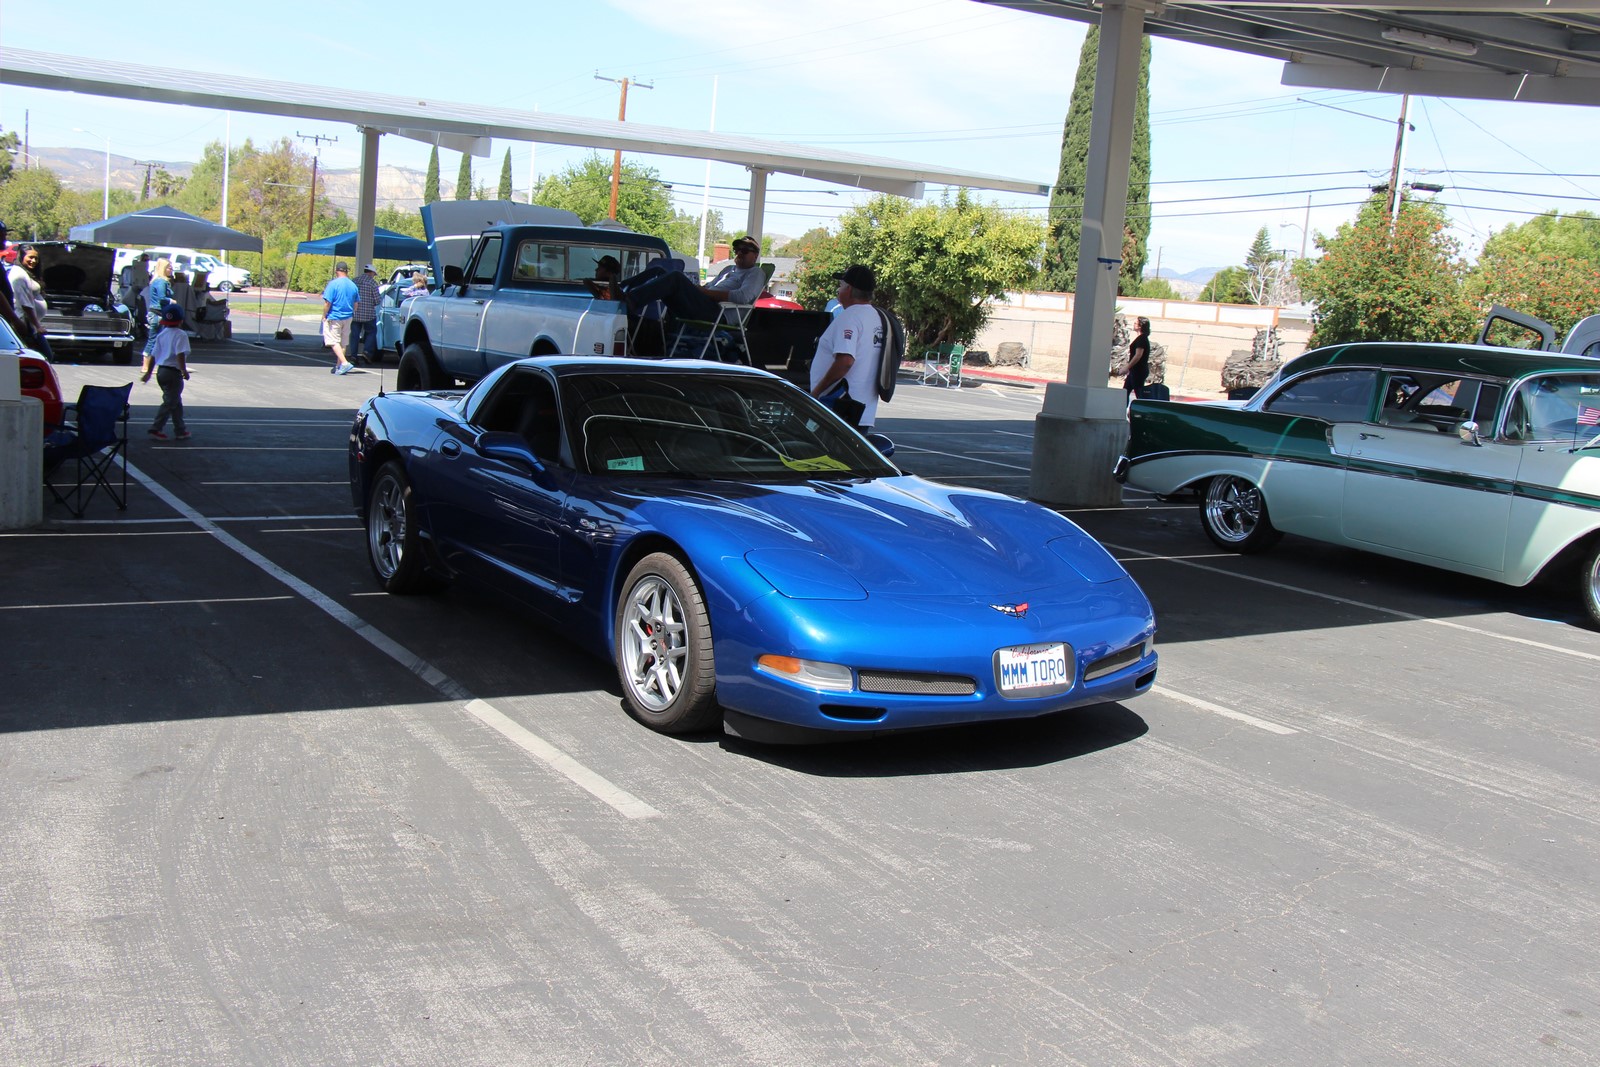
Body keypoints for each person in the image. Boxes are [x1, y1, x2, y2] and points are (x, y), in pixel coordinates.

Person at [808, 265, 886, 432]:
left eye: (841, 285)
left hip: (838, 409)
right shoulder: (877, 317)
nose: (838, 290)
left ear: (849, 289)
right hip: (861, 411)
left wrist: (815, 394)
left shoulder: (850, 317)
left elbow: (845, 361)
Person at [617, 235, 765, 322]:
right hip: (703, 303)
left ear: (755, 256)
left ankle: (630, 301)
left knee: (676, 277)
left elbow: (743, 297)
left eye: (744, 250)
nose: (739, 253)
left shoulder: (755, 273)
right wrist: (698, 288)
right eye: (737, 250)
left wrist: (706, 293)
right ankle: (621, 289)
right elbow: (710, 286)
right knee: (659, 271)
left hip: (718, 312)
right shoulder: (728, 269)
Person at [141, 299, 191, 440]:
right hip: (173, 372)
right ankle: (156, 428)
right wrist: (184, 370)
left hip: (161, 371)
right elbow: (180, 354)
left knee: (175, 401)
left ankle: (180, 429)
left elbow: (153, 355)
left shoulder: (162, 334)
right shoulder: (181, 335)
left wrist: (149, 373)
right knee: (170, 402)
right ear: (181, 320)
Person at [6, 244, 56, 362]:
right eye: (30, 257)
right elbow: (25, 304)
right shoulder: (18, 275)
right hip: (24, 325)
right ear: (21, 257)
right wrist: (38, 326)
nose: (33, 261)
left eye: (36, 258)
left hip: (31, 326)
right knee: (45, 356)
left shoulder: (25, 273)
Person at [321, 262, 360, 375]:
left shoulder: (333, 284)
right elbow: (356, 304)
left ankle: (344, 362)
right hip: (348, 317)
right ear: (347, 271)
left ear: (337, 271)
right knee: (343, 343)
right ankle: (339, 366)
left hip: (335, 316)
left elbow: (328, 302)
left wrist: (324, 315)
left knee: (333, 341)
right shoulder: (353, 285)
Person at [350, 263, 382, 365]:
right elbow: (377, 300)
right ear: (372, 272)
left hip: (355, 314)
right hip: (368, 314)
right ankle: (367, 352)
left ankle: (353, 356)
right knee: (371, 332)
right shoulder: (372, 283)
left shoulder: (354, 281)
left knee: (354, 335)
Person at [142, 259, 174, 357]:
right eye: (169, 267)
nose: (171, 269)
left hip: (154, 313)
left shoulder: (155, 281)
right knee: (155, 340)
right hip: (158, 314)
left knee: (154, 339)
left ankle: (148, 364)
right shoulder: (162, 282)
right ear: (164, 269)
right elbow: (162, 298)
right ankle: (147, 364)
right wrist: (171, 301)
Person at [1123, 316, 1151, 403]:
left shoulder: (1142, 339)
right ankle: (1121, 411)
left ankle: (1145, 411)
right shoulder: (1141, 338)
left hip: (1138, 371)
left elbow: (1138, 355)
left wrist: (1127, 367)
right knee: (1125, 392)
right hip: (1135, 370)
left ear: (1140, 326)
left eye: (1135, 323)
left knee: (1139, 394)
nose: (1134, 324)